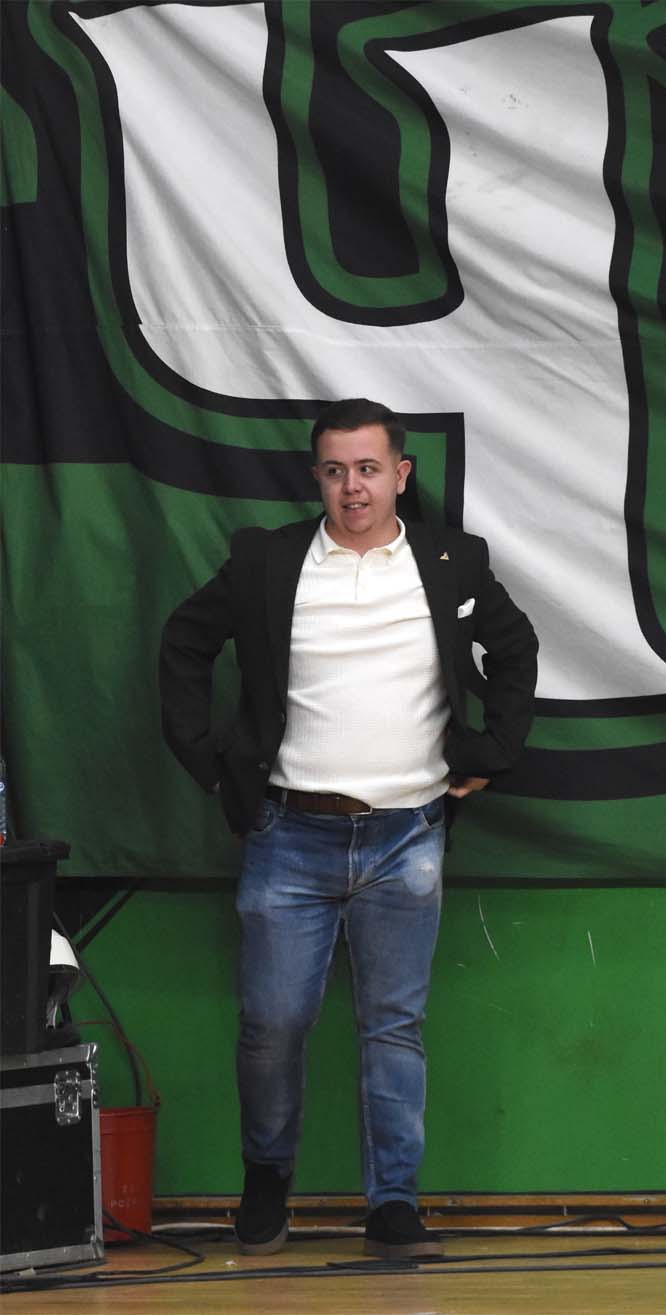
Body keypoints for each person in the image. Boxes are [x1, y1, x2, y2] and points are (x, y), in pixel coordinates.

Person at [159, 398, 537, 1258]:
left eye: (368, 469)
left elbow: (515, 650)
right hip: (289, 833)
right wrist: (210, 761)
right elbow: (184, 641)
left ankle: (393, 1204)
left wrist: (494, 751)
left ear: (400, 473)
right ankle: (266, 1180)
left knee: (394, 1026)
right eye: (335, 471)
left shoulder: (452, 560)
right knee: (272, 1023)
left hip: (409, 834)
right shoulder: (267, 560)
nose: (352, 487)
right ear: (317, 477)